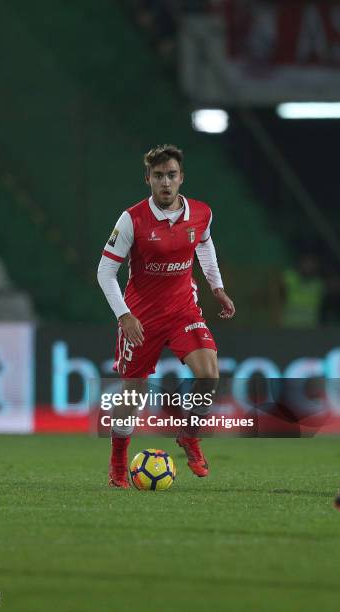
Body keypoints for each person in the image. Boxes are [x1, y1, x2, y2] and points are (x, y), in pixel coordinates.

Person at [97, 144, 235, 488]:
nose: (165, 183)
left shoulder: (201, 213)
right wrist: (124, 316)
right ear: (148, 179)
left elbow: (204, 243)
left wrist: (216, 286)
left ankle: (189, 434)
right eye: (158, 176)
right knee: (133, 393)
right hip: (141, 317)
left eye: (171, 175)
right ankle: (117, 462)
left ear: (181, 178)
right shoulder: (132, 219)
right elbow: (105, 271)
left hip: (182, 310)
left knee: (210, 373)